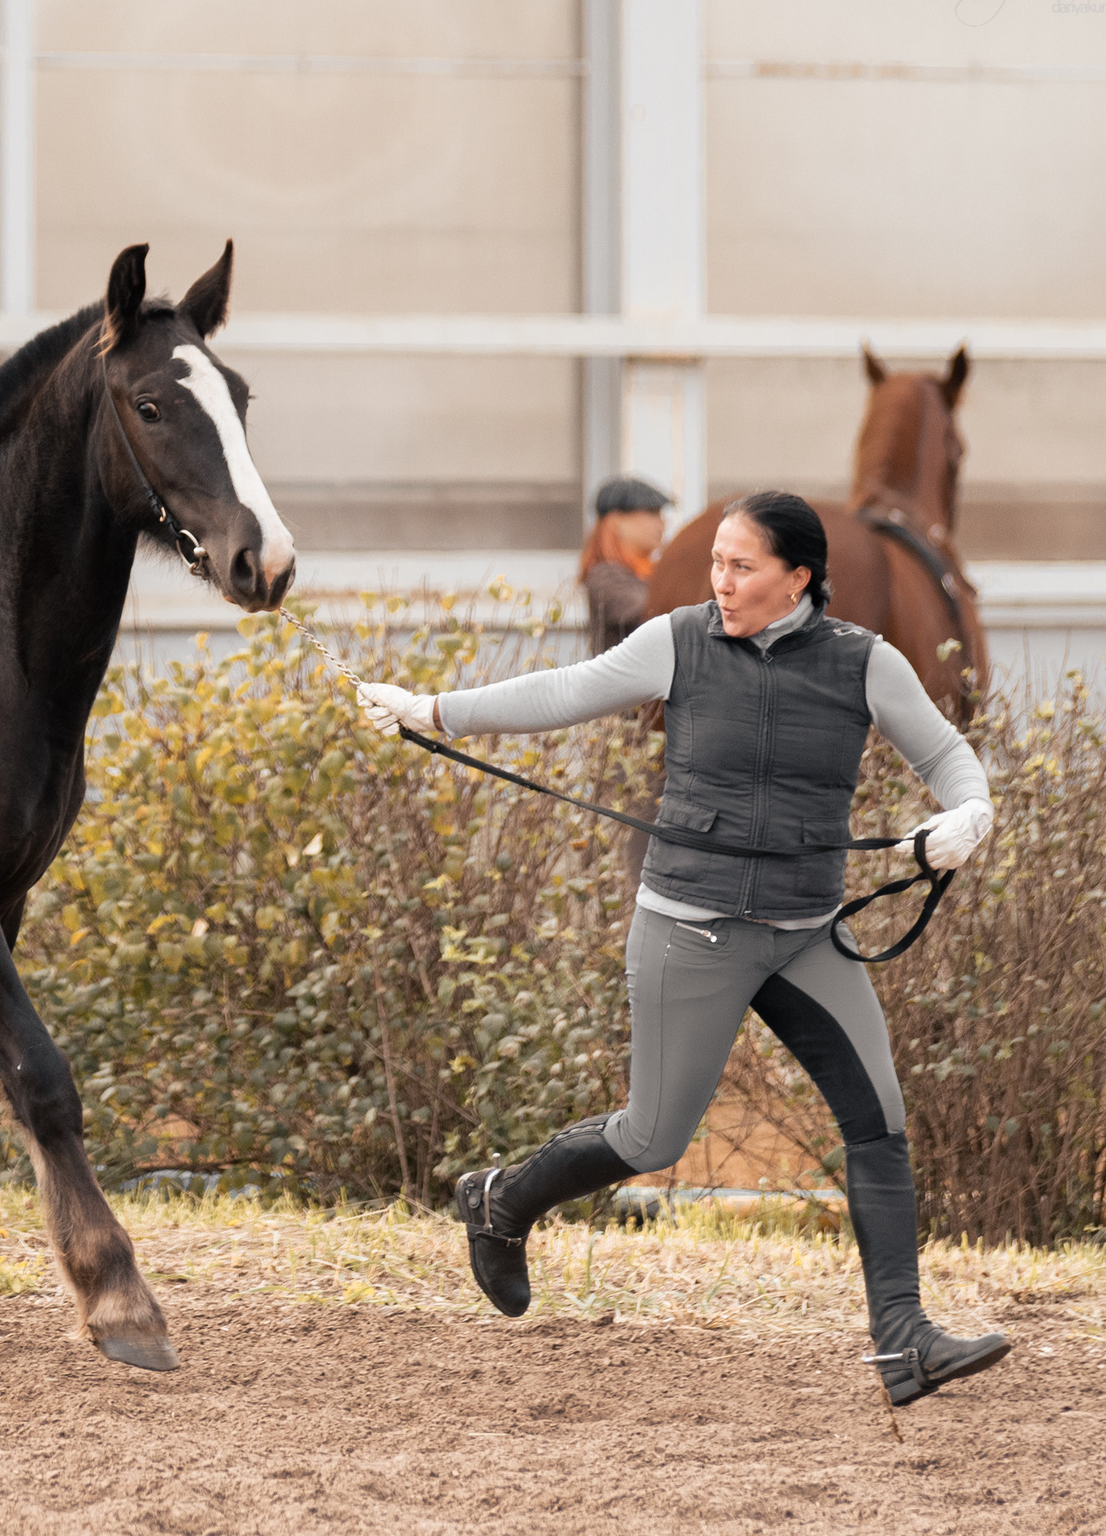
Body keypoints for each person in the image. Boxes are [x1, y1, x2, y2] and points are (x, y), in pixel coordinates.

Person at [356, 491, 1007, 1408]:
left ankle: (904, 1340)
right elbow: (563, 691)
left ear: (798, 578)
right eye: (717, 564)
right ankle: (501, 1200)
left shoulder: (866, 662)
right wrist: (432, 709)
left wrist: (969, 813)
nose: (719, 582)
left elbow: (947, 755)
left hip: (807, 934)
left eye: (741, 566)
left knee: (879, 1122)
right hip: (691, 929)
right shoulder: (678, 641)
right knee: (652, 1136)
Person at [580, 476, 669, 652]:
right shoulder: (604, 577)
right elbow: (652, 612)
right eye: (652, 513)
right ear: (615, 521)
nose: (662, 523)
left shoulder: (653, 571)